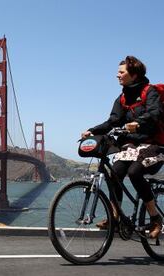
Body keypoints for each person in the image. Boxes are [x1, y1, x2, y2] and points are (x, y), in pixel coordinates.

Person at [81, 56, 163, 239]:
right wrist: (92, 130)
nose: (117, 75)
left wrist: (138, 123)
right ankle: (114, 218)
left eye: (121, 72)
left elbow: (155, 114)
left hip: (154, 145)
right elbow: (113, 121)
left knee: (134, 173)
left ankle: (156, 219)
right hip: (132, 145)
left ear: (133, 75)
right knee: (115, 173)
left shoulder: (150, 92)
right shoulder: (122, 98)